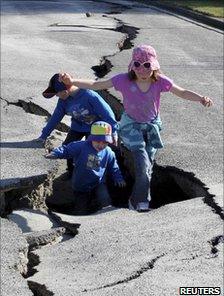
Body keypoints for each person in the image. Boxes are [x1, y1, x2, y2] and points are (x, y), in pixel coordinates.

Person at [59, 44, 213, 212]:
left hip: (152, 126)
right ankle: (142, 201)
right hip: (131, 126)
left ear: (154, 66)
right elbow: (97, 84)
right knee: (141, 159)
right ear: (133, 66)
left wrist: (200, 98)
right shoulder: (124, 80)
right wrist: (72, 81)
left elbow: (182, 92)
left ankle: (135, 200)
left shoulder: (160, 81)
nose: (142, 70)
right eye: (138, 65)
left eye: (147, 65)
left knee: (148, 167)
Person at [36, 73, 118, 178]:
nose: (56, 96)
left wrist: (114, 131)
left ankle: (94, 176)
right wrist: (44, 135)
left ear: (65, 91)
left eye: (57, 93)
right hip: (77, 127)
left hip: (96, 129)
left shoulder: (89, 96)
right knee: (68, 146)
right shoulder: (63, 100)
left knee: (93, 152)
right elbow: (55, 118)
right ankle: (71, 171)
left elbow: (107, 113)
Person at [45, 121, 126, 215]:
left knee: (105, 200)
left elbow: (114, 167)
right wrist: (56, 153)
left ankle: (104, 217)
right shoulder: (82, 146)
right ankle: (80, 215)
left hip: (98, 183)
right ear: (91, 138)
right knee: (81, 205)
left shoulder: (108, 152)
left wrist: (118, 178)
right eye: (97, 141)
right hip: (80, 184)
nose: (101, 145)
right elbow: (66, 150)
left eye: (104, 142)